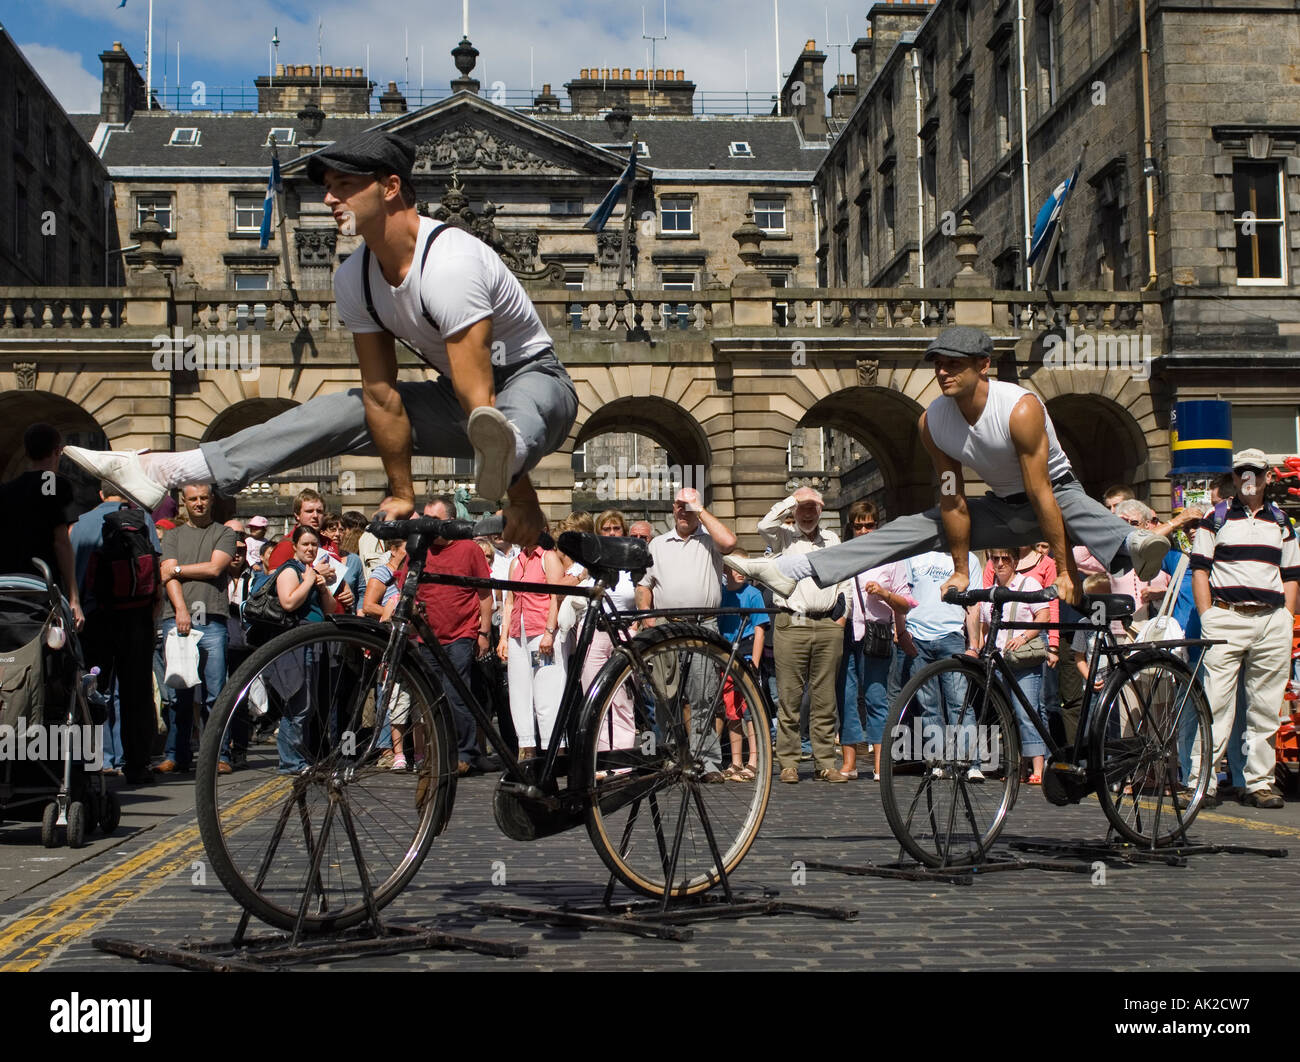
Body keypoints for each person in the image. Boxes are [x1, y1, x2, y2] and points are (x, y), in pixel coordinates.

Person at [66, 129, 577, 549]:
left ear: (391, 186)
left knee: (518, 412)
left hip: (534, 378)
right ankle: (174, 467)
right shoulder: (353, 277)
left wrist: (524, 499)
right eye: (327, 187)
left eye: (345, 185)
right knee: (347, 406)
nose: (330, 198)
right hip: (462, 400)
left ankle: (508, 457)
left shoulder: (450, 262)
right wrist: (402, 492)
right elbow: (382, 394)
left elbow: (479, 395)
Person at [726, 327, 1170, 609]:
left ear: (983, 366)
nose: (943, 373)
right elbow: (954, 500)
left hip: (1055, 496)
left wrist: (1067, 572)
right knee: (915, 525)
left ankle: (1136, 545)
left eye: (954, 364)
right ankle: (791, 571)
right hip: (1001, 510)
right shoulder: (932, 422)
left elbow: (1042, 495)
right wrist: (960, 569)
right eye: (938, 365)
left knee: (1072, 505)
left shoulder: (1019, 409)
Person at [1187, 448, 1299, 809]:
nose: (1249, 479)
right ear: (1235, 479)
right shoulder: (1214, 518)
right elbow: (1200, 569)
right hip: (1227, 616)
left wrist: (1286, 616)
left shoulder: (1282, 522)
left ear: (1266, 477)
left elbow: (1292, 575)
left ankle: (1259, 783)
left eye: (1256, 473)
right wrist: (1208, 617)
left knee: (1266, 708)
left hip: (1270, 619)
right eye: (1242, 473)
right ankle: (1201, 782)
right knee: (1216, 705)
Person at [636, 487, 738, 782]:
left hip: (704, 626)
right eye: (680, 506)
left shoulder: (710, 541)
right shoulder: (657, 544)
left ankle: (706, 763)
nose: (684, 511)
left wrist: (701, 510)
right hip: (667, 626)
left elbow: (731, 542)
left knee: (704, 696)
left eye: (689, 507)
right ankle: (669, 760)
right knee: (666, 697)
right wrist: (647, 618)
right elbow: (644, 586)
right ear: (672, 509)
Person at [756, 487, 851, 784]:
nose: (807, 512)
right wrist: (790, 501)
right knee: (789, 697)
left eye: (812, 507)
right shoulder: (783, 537)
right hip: (792, 622)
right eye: (803, 507)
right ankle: (788, 762)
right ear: (795, 511)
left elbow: (845, 577)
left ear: (821, 511)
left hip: (827, 624)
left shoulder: (832, 540)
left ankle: (825, 762)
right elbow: (763, 525)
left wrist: (843, 618)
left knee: (824, 699)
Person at [70, 481, 161, 784]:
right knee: (136, 693)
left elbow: (72, 574)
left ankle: (89, 763)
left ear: (99, 493)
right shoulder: (141, 519)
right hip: (135, 620)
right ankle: (137, 765)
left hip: (94, 621)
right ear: (126, 492)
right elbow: (154, 573)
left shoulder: (80, 524)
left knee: (92, 690)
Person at [157, 484, 240, 774]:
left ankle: (219, 754)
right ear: (184, 502)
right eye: (193, 499)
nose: (199, 503)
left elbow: (214, 569)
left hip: (214, 620)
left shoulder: (225, 532)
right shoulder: (173, 535)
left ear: (212, 500)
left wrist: (178, 569)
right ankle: (176, 754)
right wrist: (181, 609)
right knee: (178, 693)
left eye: (204, 498)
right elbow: (167, 578)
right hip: (177, 618)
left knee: (215, 693)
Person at [409, 494, 493, 774]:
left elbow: (484, 594)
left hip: (461, 633)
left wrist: (483, 632)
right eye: (425, 519)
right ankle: (438, 754)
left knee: (457, 693)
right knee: (431, 697)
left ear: (451, 522)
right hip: (427, 637)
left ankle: (466, 754)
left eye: (435, 521)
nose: (428, 526)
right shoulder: (420, 549)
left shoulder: (469, 549)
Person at [838, 501, 912, 781]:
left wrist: (884, 593)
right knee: (846, 697)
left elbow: (904, 602)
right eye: (858, 526)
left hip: (876, 632)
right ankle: (849, 762)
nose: (864, 531)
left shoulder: (891, 557)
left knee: (876, 697)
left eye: (869, 525)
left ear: (877, 525)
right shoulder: (844, 554)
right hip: (846, 631)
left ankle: (881, 763)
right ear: (851, 528)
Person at [0, 424, 82, 627]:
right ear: (57, 451)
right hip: (43, 586)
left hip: (9, 587)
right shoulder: (51, 483)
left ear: (26, 452)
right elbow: (62, 541)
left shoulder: (7, 489)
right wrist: (74, 598)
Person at [981, 548, 1052, 784]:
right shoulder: (991, 590)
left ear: (1015, 561)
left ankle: (1038, 768)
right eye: (995, 559)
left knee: (1026, 712)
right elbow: (984, 623)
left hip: (1023, 659)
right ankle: (1016, 768)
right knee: (1007, 716)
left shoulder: (1027, 584)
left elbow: (1044, 615)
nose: (1000, 564)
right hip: (1000, 660)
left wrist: (1024, 637)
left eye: (1005, 559)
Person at [498, 522, 565, 760]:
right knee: (518, 690)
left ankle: (554, 747)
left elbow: (556, 597)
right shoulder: (516, 562)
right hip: (518, 631)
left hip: (541, 630)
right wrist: (503, 637)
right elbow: (509, 602)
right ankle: (526, 745)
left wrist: (549, 631)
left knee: (547, 690)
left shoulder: (548, 557)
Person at [274, 525, 338, 773]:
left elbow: (330, 609)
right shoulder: (290, 570)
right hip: (296, 642)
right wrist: (310, 579)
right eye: (305, 545)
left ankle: (300, 757)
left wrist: (321, 587)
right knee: (298, 703)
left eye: (314, 544)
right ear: (295, 547)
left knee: (309, 705)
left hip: (315, 641)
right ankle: (290, 761)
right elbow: (288, 602)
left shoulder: (311, 573)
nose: (310, 549)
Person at [717, 552, 768, 782]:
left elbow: (760, 629)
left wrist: (755, 663)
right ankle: (735, 761)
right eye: (733, 567)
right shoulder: (721, 594)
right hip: (725, 650)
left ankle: (753, 761)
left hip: (746, 650)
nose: (738, 572)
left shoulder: (754, 594)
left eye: (742, 567)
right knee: (731, 709)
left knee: (749, 709)